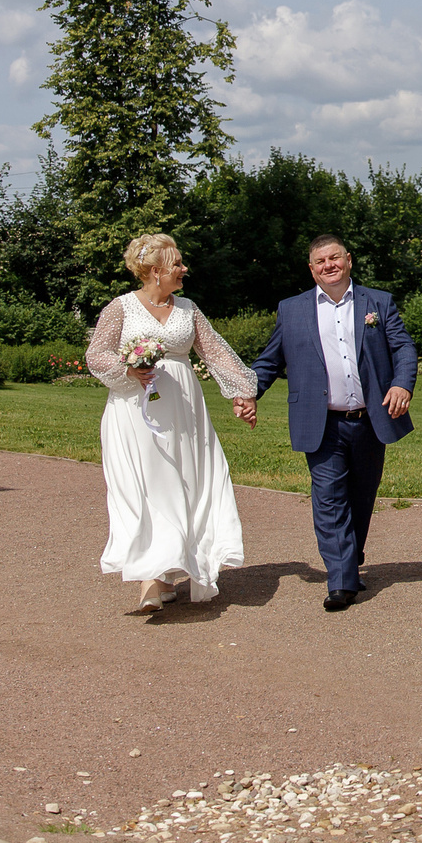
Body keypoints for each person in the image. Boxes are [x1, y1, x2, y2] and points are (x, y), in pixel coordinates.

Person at [241, 233, 418, 612]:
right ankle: (340, 582)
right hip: (320, 423)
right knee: (328, 497)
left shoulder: (378, 302)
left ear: (348, 260)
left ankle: (348, 563)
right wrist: (248, 392)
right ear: (311, 268)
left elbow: (403, 347)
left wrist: (402, 384)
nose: (328, 266)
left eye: (334, 258)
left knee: (360, 497)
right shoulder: (292, 309)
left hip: (370, 420)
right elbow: (269, 360)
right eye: (320, 262)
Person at [84, 231, 257, 614]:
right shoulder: (121, 308)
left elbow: (215, 352)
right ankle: (150, 575)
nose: (184, 269)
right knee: (147, 487)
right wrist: (128, 371)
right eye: (177, 264)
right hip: (134, 412)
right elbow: (96, 354)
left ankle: (162, 575)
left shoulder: (188, 309)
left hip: (183, 412)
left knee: (184, 485)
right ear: (154, 271)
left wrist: (242, 392)